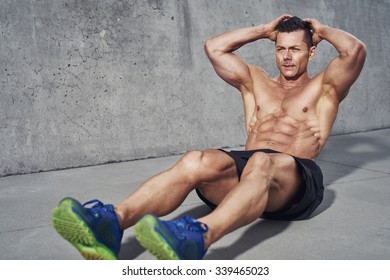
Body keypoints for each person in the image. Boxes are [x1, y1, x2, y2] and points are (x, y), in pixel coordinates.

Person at [52, 14, 366, 260]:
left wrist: (320, 29)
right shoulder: (255, 80)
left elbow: (354, 51)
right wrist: (262, 29)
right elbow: (213, 47)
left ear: (311, 52)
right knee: (195, 160)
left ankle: (199, 238)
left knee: (260, 161)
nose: (286, 56)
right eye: (280, 48)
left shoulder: (324, 87)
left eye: (295, 49)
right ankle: (113, 223)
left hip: (295, 181)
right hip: (247, 176)